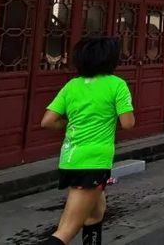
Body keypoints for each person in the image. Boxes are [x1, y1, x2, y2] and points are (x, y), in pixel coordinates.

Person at [40, 37, 135, 245]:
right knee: (66, 230)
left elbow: (47, 121)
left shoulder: (72, 86)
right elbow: (128, 123)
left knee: (96, 213)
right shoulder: (116, 85)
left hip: (70, 159)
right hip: (94, 162)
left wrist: (70, 124)